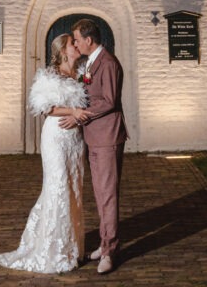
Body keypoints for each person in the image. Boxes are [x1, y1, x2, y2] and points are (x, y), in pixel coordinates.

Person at [0, 33, 89, 274]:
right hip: (56, 138)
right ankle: (52, 250)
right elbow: (44, 108)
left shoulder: (81, 73)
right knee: (57, 186)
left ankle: (72, 248)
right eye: (73, 43)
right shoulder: (49, 76)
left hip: (75, 139)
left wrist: (78, 116)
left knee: (74, 187)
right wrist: (73, 111)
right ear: (63, 50)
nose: (77, 45)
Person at [60, 18, 128, 275]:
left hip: (108, 137)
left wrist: (79, 113)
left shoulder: (108, 63)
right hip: (94, 137)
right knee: (100, 194)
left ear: (89, 40)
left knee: (108, 195)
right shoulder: (90, 62)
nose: (75, 43)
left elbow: (109, 101)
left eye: (77, 39)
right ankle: (104, 242)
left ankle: (110, 250)